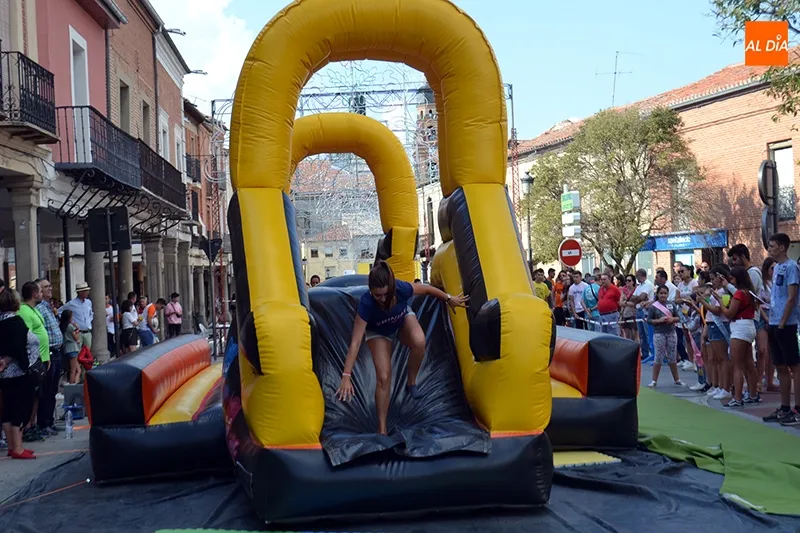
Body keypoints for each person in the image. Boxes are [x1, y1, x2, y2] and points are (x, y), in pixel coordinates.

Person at [336, 261, 468, 435]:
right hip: (379, 332)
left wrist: (449, 299)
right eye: (377, 295)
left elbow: (427, 289)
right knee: (384, 377)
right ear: (371, 291)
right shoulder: (367, 304)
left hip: (401, 321)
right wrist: (346, 375)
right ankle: (382, 428)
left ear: (391, 288)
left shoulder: (401, 288)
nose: (383, 299)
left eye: (386, 294)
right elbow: (355, 342)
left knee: (419, 341)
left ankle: (411, 382)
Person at [763, 233, 800, 425]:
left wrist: (783, 322)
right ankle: (785, 407)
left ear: (782, 247)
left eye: (772, 246)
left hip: (787, 323)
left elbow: (791, 297)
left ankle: (798, 408)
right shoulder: (777, 267)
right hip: (774, 322)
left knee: (794, 365)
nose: (769, 249)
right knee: (780, 366)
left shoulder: (792, 267)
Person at [0, 288, 41, 459]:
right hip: (19, 372)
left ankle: (12, 446)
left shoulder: (1, 321)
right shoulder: (16, 322)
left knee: (8, 408)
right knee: (20, 408)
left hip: (4, 374)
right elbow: (18, 346)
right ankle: (18, 447)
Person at [717, 266, 761, 408]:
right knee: (749, 363)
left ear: (737, 279)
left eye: (732, 278)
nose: (730, 281)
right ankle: (753, 394)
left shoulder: (739, 294)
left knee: (737, 366)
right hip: (749, 326)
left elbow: (729, 314)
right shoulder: (749, 293)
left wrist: (720, 303)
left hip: (739, 328)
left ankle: (737, 397)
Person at [35, 278, 63, 436]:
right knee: (46, 390)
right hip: (48, 353)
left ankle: (49, 421)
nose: (49, 288)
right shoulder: (40, 308)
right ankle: (44, 422)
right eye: (45, 287)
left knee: (53, 389)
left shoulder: (48, 307)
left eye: (49, 286)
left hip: (56, 352)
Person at [646, 285, 685, 388]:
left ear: (668, 294)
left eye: (665, 293)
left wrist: (672, 319)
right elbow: (649, 320)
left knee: (672, 356)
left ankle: (677, 379)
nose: (663, 295)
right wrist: (658, 321)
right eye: (661, 293)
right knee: (658, 356)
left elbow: (678, 317)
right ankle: (654, 380)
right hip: (659, 333)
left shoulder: (671, 304)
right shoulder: (653, 306)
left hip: (671, 332)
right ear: (657, 294)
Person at [61, 283, 93, 350]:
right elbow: (60, 312)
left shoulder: (88, 302)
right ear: (80, 292)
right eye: (85, 291)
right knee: (78, 352)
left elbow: (91, 313)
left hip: (87, 332)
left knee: (87, 352)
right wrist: (70, 322)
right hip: (78, 332)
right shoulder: (71, 304)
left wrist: (89, 321)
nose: (88, 292)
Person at [59, 309, 82, 384]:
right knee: (73, 370)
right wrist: (77, 330)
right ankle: (72, 384)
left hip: (67, 348)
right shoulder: (70, 326)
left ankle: (75, 383)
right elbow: (76, 338)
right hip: (73, 348)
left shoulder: (62, 326)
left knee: (78, 370)